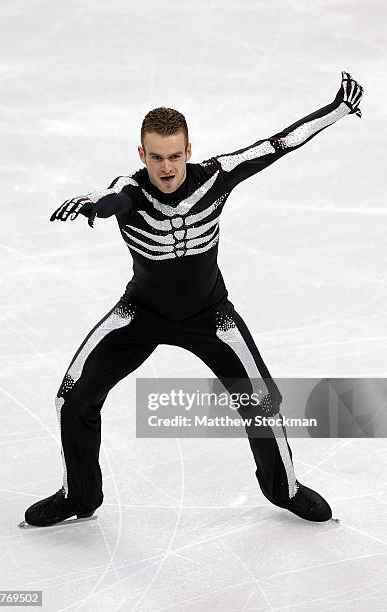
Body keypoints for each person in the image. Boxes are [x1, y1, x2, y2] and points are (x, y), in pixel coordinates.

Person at [21, 71, 363, 528]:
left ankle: (286, 489)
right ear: (142, 154)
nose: (166, 168)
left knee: (261, 399)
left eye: (175, 156)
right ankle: (79, 495)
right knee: (72, 397)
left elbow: (277, 144)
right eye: (156, 157)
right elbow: (114, 198)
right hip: (140, 314)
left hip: (211, 316)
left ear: (189, 150)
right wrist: (94, 204)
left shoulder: (215, 178)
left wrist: (337, 110)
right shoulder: (130, 189)